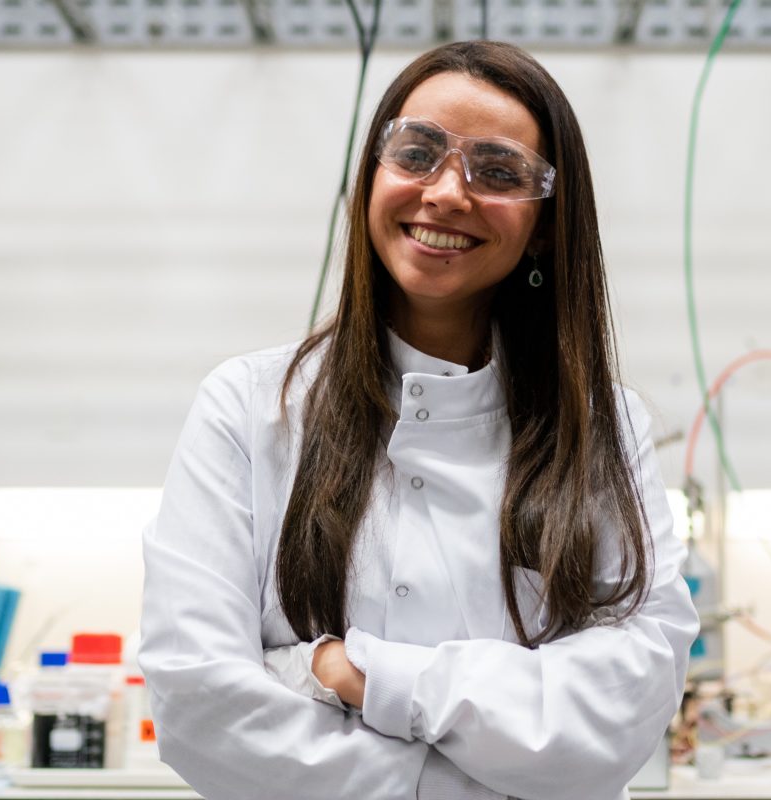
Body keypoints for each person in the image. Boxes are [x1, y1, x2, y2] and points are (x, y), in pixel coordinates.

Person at [139, 40, 698, 799]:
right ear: (371, 176)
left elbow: (621, 710)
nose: (446, 193)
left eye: (497, 172)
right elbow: (200, 704)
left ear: (541, 225)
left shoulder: (601, 426)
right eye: (417, 153)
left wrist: (349, 674)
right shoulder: (249, 407)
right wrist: (498, 764)